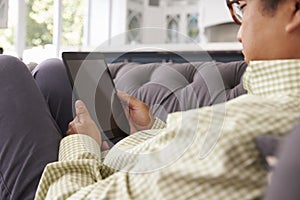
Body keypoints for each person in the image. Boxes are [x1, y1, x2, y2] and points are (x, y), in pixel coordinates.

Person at [0, 0, 299, 199]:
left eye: (242, 7)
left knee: (6, 71)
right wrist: (148, 131)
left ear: (294, 11)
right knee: (53, 72)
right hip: (117, 168)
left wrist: (82, 144)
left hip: (75, 187)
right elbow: (185, 170)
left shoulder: (246, 128)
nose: (239, 29)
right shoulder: (270, 106)